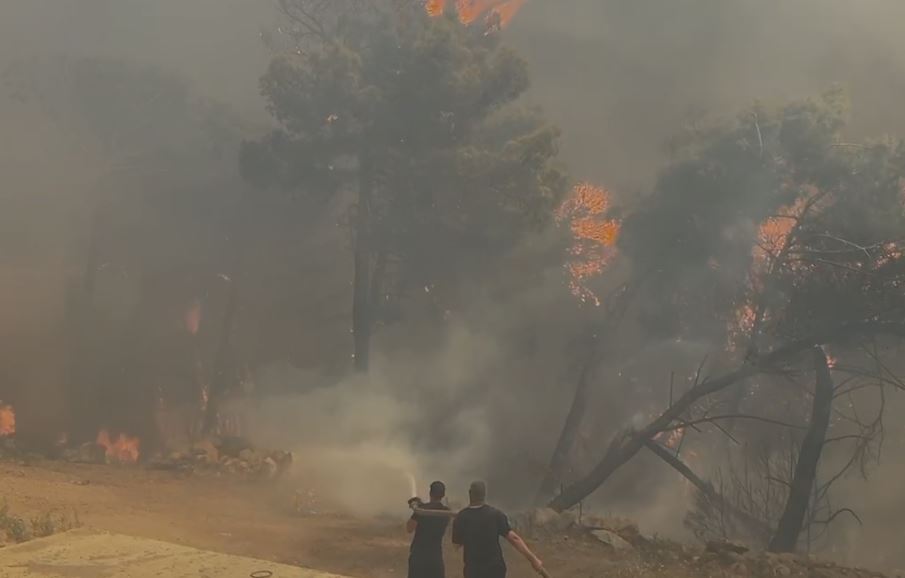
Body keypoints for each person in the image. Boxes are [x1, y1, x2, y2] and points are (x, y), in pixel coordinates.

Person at [451, 481, 544, 578]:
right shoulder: (495, 514)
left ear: (470, 493)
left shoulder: (461, 517)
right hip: (495, 569)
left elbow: (456, 545)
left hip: (473, 571)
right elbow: (514, 538)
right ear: (484, 495)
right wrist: (533, 559)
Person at [407, 480, 452, 578]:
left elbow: (409, 528)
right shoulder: (446, 512)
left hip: (418, 556)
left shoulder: (421, 510)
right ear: (443, 495)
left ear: (430, 493)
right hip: (435, 557)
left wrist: (416, 507)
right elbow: (434, 512)